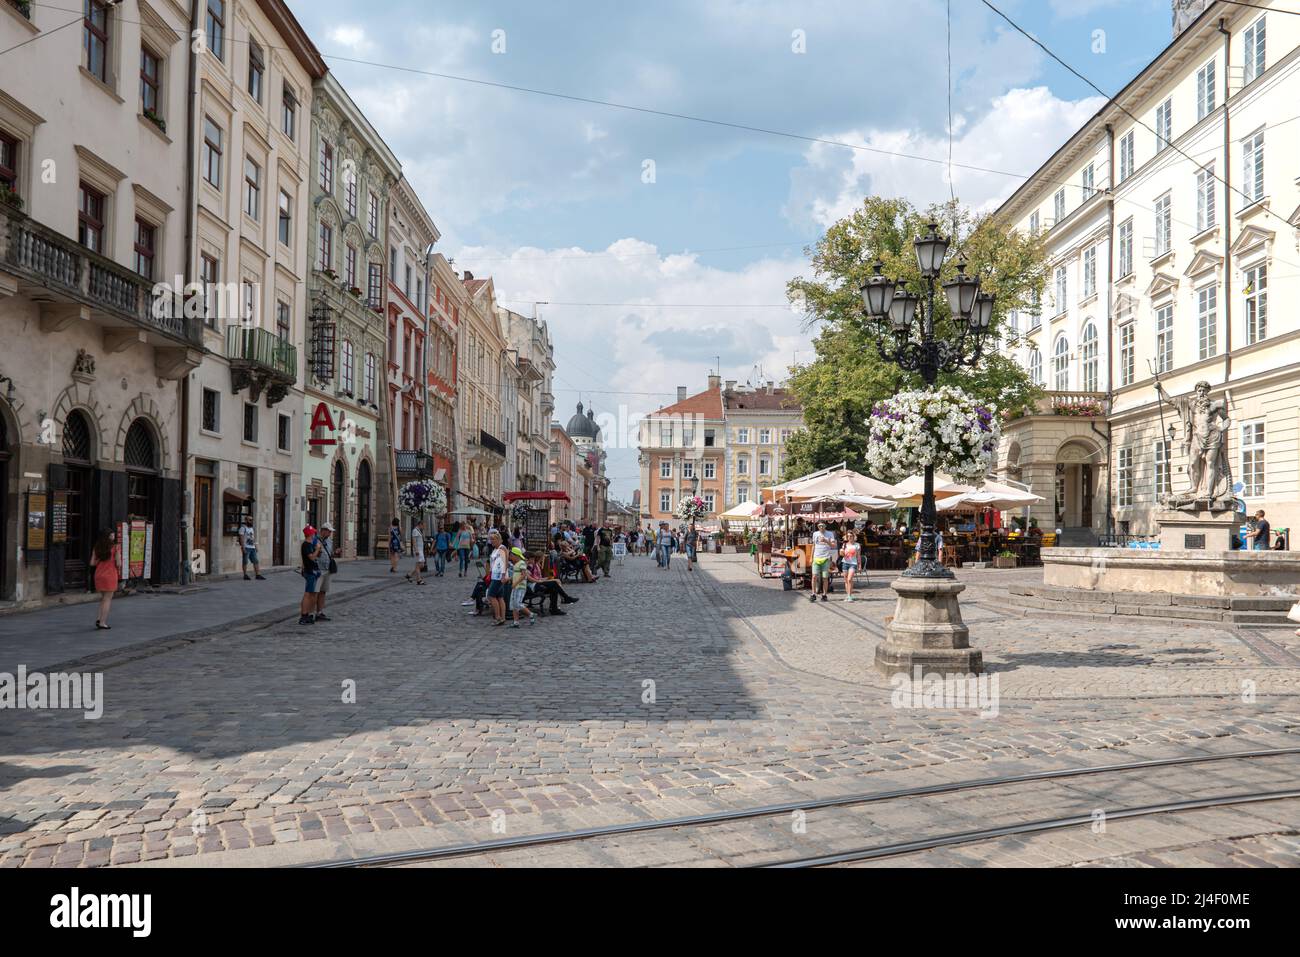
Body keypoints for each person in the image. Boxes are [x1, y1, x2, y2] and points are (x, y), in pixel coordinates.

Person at [89, 527, 120, 630]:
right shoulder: (115, 548)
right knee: (107, 599)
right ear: (108, 536)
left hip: (99, 575)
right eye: (112, 535)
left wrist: (101, 561)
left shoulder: (96, 547)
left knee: (103, 599)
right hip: (110, 575)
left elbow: (92, 563)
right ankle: (102, 622)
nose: (114, 536)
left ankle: (99, 619)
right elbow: (118, 563)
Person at [299, 525, 323, 625]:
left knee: (313, 593)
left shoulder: (311, 544)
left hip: (314, 570)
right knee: (308, 593)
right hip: (310, 571)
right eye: (313, 533)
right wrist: (317, 549)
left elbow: (316, 556)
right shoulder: (306, 545)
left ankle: (308, 613)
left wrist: (318, 550)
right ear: (310, 534)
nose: (314, 534)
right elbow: (311, 558)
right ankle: (303, 615)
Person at [508, 546, 536, 628]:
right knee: (513, 604)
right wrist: (509, 579)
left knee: (518, 603)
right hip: (515, 586)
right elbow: (515, 574)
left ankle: (530, 614)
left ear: (515, 555)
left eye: (511, 556)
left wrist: (515, 583)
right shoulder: (516, 564)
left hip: (520, 586)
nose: (510, 557)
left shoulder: (522, 563)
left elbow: (523, 575)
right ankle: (515, 622)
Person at [315, 524, 338, 620]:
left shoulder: (329, 541)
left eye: (331, 531)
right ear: (323, 530)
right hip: (318, 569)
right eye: (329, 531)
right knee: (315, 592)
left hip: (327, 568)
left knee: (323, 591)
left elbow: (330, 554)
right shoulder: (315, 540)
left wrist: (335, 553)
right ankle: (311, 613)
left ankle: (320, 612)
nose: (330, 533)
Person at [486, 529, 509, 625]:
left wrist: (503, 575)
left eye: (493, 539)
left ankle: (498, 617)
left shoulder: (502, 548)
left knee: (491, 596)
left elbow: (505, 562)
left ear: (499, 540)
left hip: (499, 576)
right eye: (491, 539)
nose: (491, 541)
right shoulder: (496, 549)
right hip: (495, 575)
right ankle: (502, 618)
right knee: (499, 597)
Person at [810, 522, 836, 603]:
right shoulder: (815, 534)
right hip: (816, 557)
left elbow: (833, 545)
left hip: (826, 558)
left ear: (825, 526)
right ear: (818, 526)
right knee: (814, 576)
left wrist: (825, 540)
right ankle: (813, 594)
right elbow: (813, 545)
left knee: (825, 578)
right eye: (819, 526)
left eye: (822, 526)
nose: (821, 527)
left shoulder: (830, 534)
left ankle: (824, 595)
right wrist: (811, 557)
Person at [238, 516, 265, 581]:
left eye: (252, 520)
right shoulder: (242, 528)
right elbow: (241, 539)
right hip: (246, 547)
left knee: (256, 561)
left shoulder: (252, 528)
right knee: (245, 561)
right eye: (250, 520)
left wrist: (256, 546)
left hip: (252, 547)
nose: (251, 521)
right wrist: (243, 548)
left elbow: (253, 538)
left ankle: (257, 574)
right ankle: (245, 575)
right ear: (246, 520)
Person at [840, 530, 862, 602]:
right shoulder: (844, 544)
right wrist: (841, 552)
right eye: (848, 536)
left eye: (851, 536)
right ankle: (848, 595)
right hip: (845, 563)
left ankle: (849, 596)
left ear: (854, 537)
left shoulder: (857, 545)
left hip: (853, 563)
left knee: (850, 579)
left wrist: (859, 565)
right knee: (846, 580)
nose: (849, 537)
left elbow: (858, 556)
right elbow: (842, 555)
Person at [407, 519, 426, 585]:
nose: (424, 527)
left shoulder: (419, 531)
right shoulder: (415, 531)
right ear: (420, 524)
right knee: (419, 565)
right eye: (423, 526)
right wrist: (416, 550)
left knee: (422, 565)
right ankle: (419, 580)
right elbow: (414, 541)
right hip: (418, 550)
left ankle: (409, 574)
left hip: (421, 550)